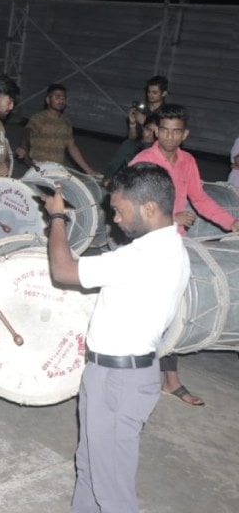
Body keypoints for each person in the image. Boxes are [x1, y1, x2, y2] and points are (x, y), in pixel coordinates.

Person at [44, 162, 189, 513]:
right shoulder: (175, 249)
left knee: (113, 493)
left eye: (120, 211)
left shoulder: (139, 257)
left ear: (149, 207)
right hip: (125, 375)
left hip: (116, 381)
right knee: (91, 468)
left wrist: (57, 219)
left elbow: (64, 270)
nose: (116, 220)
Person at [129, 103, 239, 407]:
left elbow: (200, 199)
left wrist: (232, 224)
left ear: (185, 134)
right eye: (164, 130)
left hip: (175, 244)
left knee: (175, 311)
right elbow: (128, 205)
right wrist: (170, 217)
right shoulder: (143, 160)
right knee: (150, 312)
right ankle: (140, 374)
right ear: (155, 130)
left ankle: (169, 380)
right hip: (147, 243)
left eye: (176, 131)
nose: (169, 136)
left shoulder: (187, 161)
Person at [16, 84, 99, 175]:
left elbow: (72, 147)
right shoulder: (39, 118)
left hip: (56, 169)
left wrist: (89, 171)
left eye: (63, 98)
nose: (61, 100)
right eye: (57, 97)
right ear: (48, 100)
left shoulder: (66, 122)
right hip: (38, 168)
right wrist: (23, 147)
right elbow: (27, 132)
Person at [103, 113, 157, 187]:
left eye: (154, 132)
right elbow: (112, 166)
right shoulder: (129, 144)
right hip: (123, 182)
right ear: (143, 128)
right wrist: (108, 178)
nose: (151, 134)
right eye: (148, 129)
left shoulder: (157, 152)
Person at [126, 75, 168, 141]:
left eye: (154, 92)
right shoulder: (142, 109)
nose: (150, 95)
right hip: (139, 144)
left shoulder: (167, 112)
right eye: (149, 92)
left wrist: (145, 122)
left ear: (164, 93)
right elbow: (132, 138)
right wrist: (132, 123)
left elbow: (167, 140)